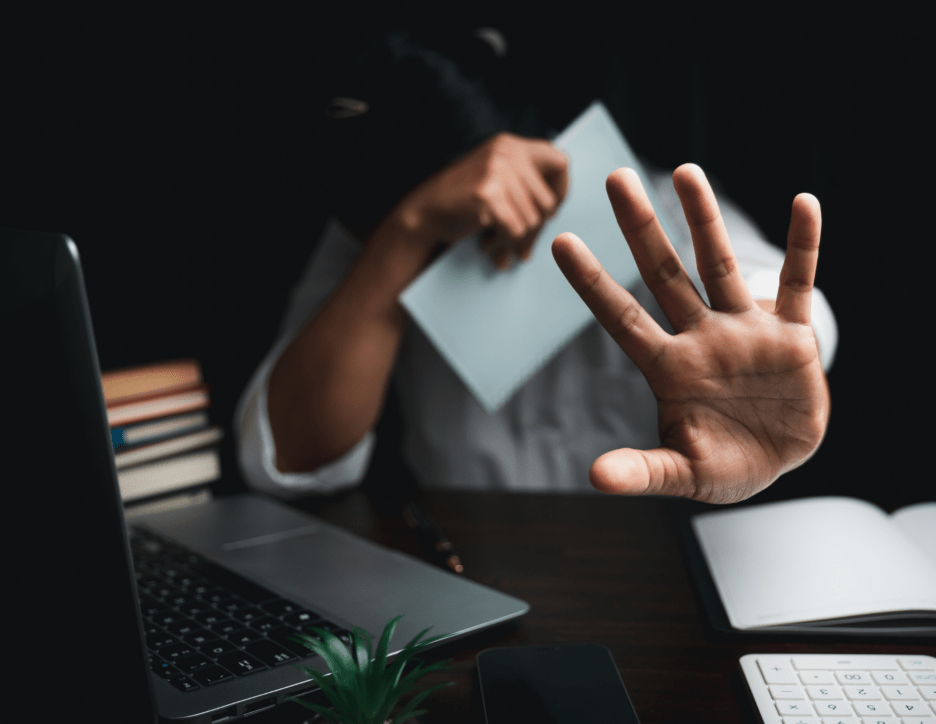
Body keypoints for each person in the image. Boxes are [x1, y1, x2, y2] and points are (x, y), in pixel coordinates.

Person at [234, 28, 837, 503]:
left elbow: (785, 314)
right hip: (462, 560)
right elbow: (285, 458)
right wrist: (407, 234)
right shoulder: (377, 219)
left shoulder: (652, 205)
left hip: (656, 563)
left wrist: (771, 348)